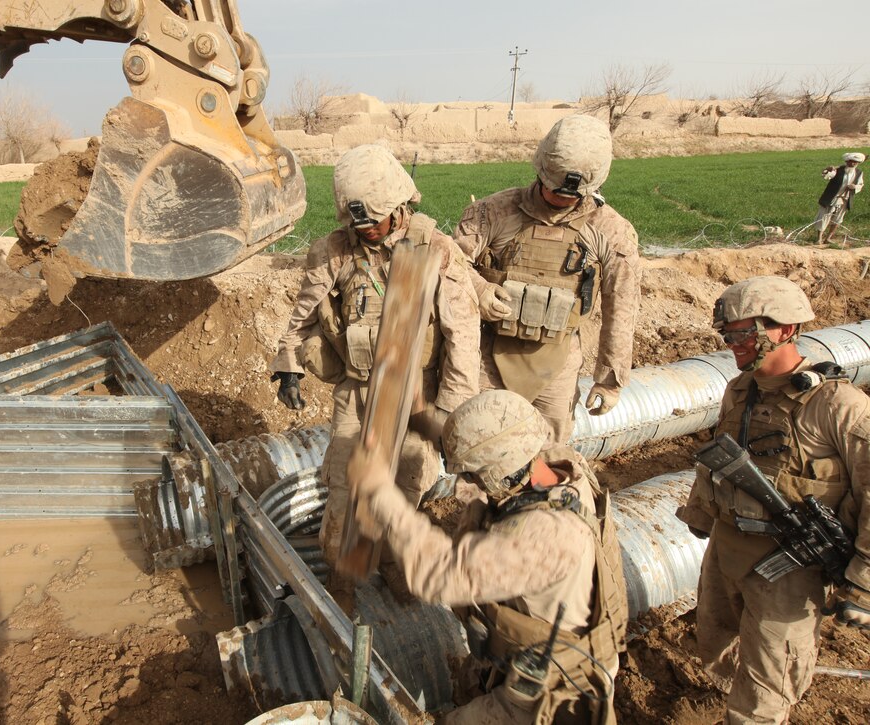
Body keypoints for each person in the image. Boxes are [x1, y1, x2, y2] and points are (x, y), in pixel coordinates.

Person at [347, 390, 628, 723]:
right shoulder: (551, 464)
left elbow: (439, 573)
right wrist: (430, 426)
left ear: (498, 474)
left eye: (471, 475)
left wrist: (379, 493)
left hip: (552, 687)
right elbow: (497, 447)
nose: (466, 482)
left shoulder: (542, 537)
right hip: (533, 652)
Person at [269, 143, 481, 568]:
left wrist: (451, 408)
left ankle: (392, 569)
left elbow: (463, 335)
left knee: (404, 491)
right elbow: (303, 315)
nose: (367, 230)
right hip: (356, 391)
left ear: (399, 205)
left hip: (416, 397)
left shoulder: (434, 251)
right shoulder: (334, 251)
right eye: (357, 222)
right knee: (345, 491)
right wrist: (289, 367)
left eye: (375, 220)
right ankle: (343, 580)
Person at [676, 276, 870, 723]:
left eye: (745, 334)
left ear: (784, 329)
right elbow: (717, 461)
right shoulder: (739, 390)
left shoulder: (837, 406)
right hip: (727, 548)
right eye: (728, 335)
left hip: (792, 566)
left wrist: (861, 581)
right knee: (713, 644)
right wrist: (702, 515)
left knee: (768, 684)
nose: (734, 345)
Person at [453, 115, 641, 444]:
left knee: (549, 455)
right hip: (489, 358)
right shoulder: (493, 213)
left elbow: (622, 307)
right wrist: (479, 288)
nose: (559, 198)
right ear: (540, 169)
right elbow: (448, 267)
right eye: (554, 189)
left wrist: (610, 380)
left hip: (557, 363)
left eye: (571, 195)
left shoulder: (611, 232)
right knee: (481, 449)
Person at [814, 152, 864, 244]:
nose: (852, 164)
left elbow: (860, 185)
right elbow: (826, 176)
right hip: (832, 197)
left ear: (858, 163)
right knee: (824, 217)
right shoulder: (838, 170)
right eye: (850, 161)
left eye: (855, 162)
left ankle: (828, 238)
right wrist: (827, 170)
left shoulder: (859, 173)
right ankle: (819, 238)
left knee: (838, 219)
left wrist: (855, 187)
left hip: (845, 199)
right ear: (846, 161)